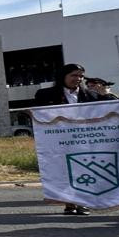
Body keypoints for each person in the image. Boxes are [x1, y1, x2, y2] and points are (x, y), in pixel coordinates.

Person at [32, 63, 110, 215]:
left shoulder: (92, 96)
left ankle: (83, 203)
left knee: (84, 170)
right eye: (74, 75)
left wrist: (105, 96)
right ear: (63, 76)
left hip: (84, 142)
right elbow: (38, 116)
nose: (78, 79)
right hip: (58, 141)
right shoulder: (44, 94)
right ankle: (69, 202)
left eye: (81, 76)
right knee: (64, 171)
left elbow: (108, 113)